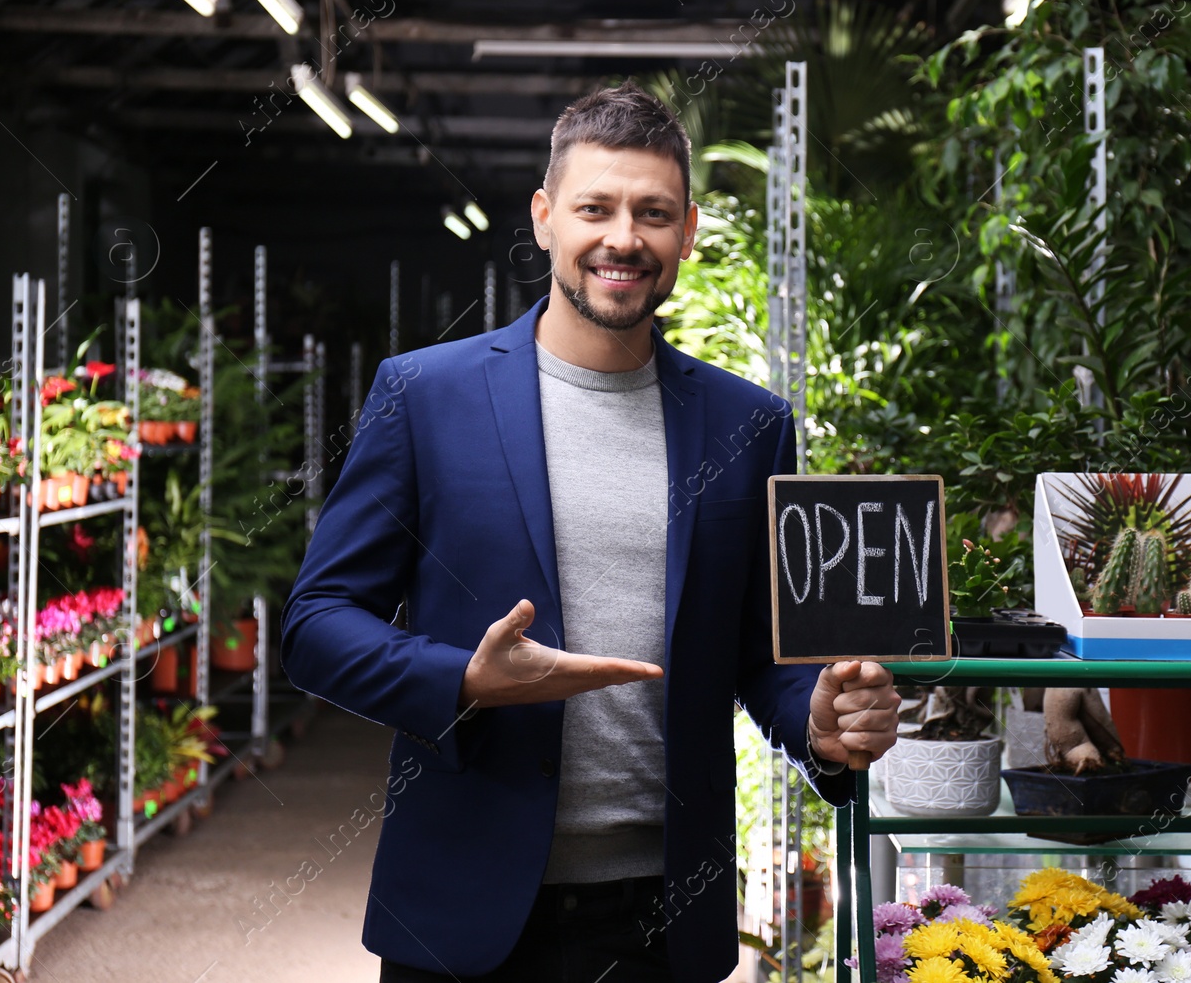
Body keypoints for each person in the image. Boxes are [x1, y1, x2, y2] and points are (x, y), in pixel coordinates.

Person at [281, 81, 901, 983]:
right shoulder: (425, 396)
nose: (624, 237)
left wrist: (819, 714)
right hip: (462, 914)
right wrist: (460, 679)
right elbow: (315, 622)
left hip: (657, 916)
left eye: (652, 212)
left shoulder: (748, 424)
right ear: (544, 219)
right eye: (595, 207)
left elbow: (764, 655)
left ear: (686, 231)